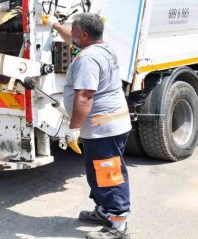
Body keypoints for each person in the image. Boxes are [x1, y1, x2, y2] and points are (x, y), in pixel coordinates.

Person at [50, 12, 132, 239]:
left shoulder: (87, 59)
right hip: (109, 125)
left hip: (102, 127)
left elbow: (85, 96)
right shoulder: (103, 49)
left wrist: (73, 127)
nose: (72, 35)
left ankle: (118, 225)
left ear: (84, 35)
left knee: (109, 175)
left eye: (74, 31)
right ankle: (104, 210)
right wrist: (54, 24)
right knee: (97, 173)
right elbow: (72, 39)